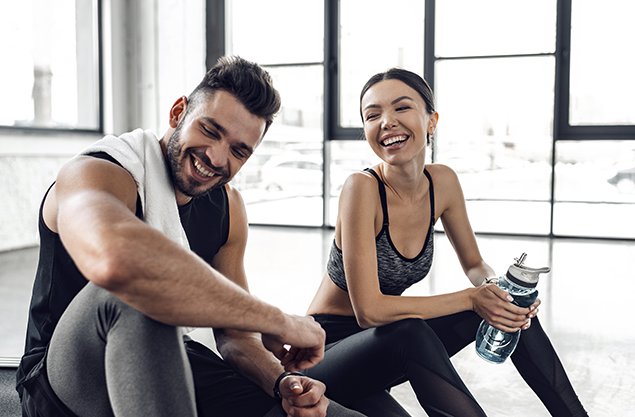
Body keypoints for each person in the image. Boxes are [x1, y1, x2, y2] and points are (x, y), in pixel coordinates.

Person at [16, 55, 365, 417]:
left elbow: (235, 335)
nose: (216, 157)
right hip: (65, 378)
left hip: (169, 354)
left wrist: (281, 382)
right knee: (132, 292)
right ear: (178, 112)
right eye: (210, 130)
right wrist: (280, 322)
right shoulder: (99, 171)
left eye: (238, 150)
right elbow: (121, 266)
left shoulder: (228, 209)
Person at [304, 67, 589, 417]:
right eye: (372, 115)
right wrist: (472, 299)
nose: (387, 122)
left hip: (384, 350)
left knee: (510, 307)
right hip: (325, 355)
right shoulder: (361, 189)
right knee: (411, 331)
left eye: (401, 108)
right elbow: (370, 312)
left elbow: (473, 264)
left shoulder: (443, 182)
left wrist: (496, 289)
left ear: (431, 120)